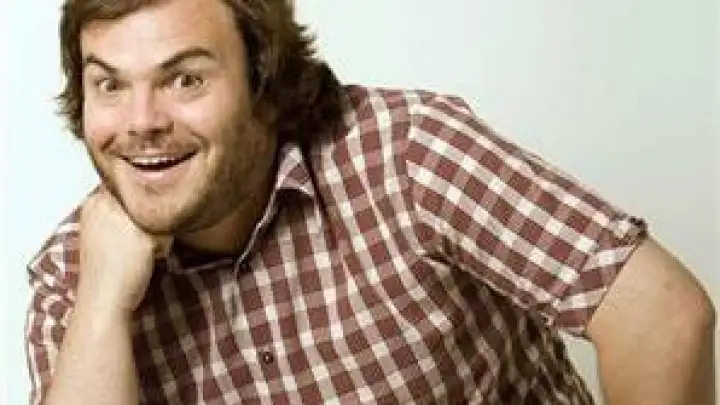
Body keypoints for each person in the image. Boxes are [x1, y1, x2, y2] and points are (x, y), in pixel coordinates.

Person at [25, 0, 715, 404]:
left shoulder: (405, 153)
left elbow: (662, 316)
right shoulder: (72, 277)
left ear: (265, 84)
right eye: (110, 85)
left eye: (185, 80)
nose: (141, 121)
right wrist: (103, 303)